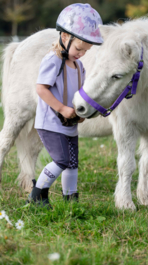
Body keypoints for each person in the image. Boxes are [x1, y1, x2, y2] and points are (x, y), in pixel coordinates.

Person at [26, 3, 103, 208]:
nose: (81, 54)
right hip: (51, 121)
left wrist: (80, 111)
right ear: (65, 37)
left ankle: (71, 199)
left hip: (69, 123)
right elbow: (41, 88)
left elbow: (78, 92)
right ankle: (37, 196)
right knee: (61, 160)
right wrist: (61, 108)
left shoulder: (78, 66)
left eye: (86, 50)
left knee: (72, 163)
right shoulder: (53, 60)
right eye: (79, 48)